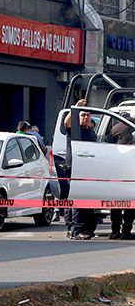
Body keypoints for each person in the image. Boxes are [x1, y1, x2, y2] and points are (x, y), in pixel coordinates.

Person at [60, 99, 98, 240]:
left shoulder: (90, 132)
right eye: (82, 115)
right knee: (77, 198)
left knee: (85, 199)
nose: (86, 117)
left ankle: (83, 228)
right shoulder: (74, 130)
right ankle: (75, 229)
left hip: (88, 168)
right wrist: (75, 108)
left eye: (88, 115)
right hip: (76, 167)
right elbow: (67, 123)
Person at [107, 112, 135, 239]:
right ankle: (126, 231)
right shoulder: (132, 127)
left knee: (116, 203)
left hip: (117, 169)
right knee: (131, 202)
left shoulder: (115, 129)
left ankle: (115, 231)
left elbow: (107, 147)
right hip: (131, 169)